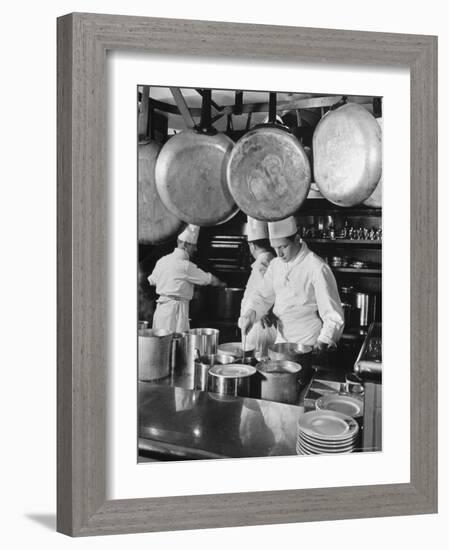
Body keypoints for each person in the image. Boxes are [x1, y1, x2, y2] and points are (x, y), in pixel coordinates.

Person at [238, 216, 344, 353]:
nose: (279, 254)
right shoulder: (275, 265)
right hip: (280, 343)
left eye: (283, 247)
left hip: (308, 343)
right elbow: (263, 296)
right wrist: (250, 314)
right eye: (275, 248)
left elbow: (333, 314)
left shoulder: (316, 267)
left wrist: (324, 340)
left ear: (296, 239)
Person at [148, 224, 225, 332]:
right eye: (193, 245)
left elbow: (152, 281)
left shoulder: (162, 261)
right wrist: (223, 285)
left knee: (160, 344)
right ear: (185, 244)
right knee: (175, 344)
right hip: (175, 313)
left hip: (161, 311)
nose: (196, 249)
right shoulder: (186, 266)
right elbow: (210, 279)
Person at [240, 217, 277, 356]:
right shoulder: (271, 260)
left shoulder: (262, 263)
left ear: (252, 245)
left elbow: (267, 290)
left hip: (260, 328)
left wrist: (265, 311)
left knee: (259, 362)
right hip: (258, 324)